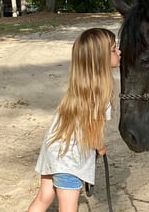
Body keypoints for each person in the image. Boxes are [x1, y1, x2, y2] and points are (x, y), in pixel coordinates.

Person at [28, 28, 121, 212]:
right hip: (69, 160)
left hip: (52, 149)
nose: (119, 52)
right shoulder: (100, 95)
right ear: (100, 59)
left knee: (44, 197)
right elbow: (93, 131)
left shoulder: (79, 88)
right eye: (113, 49)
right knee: (69, 207)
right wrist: (101, 146)